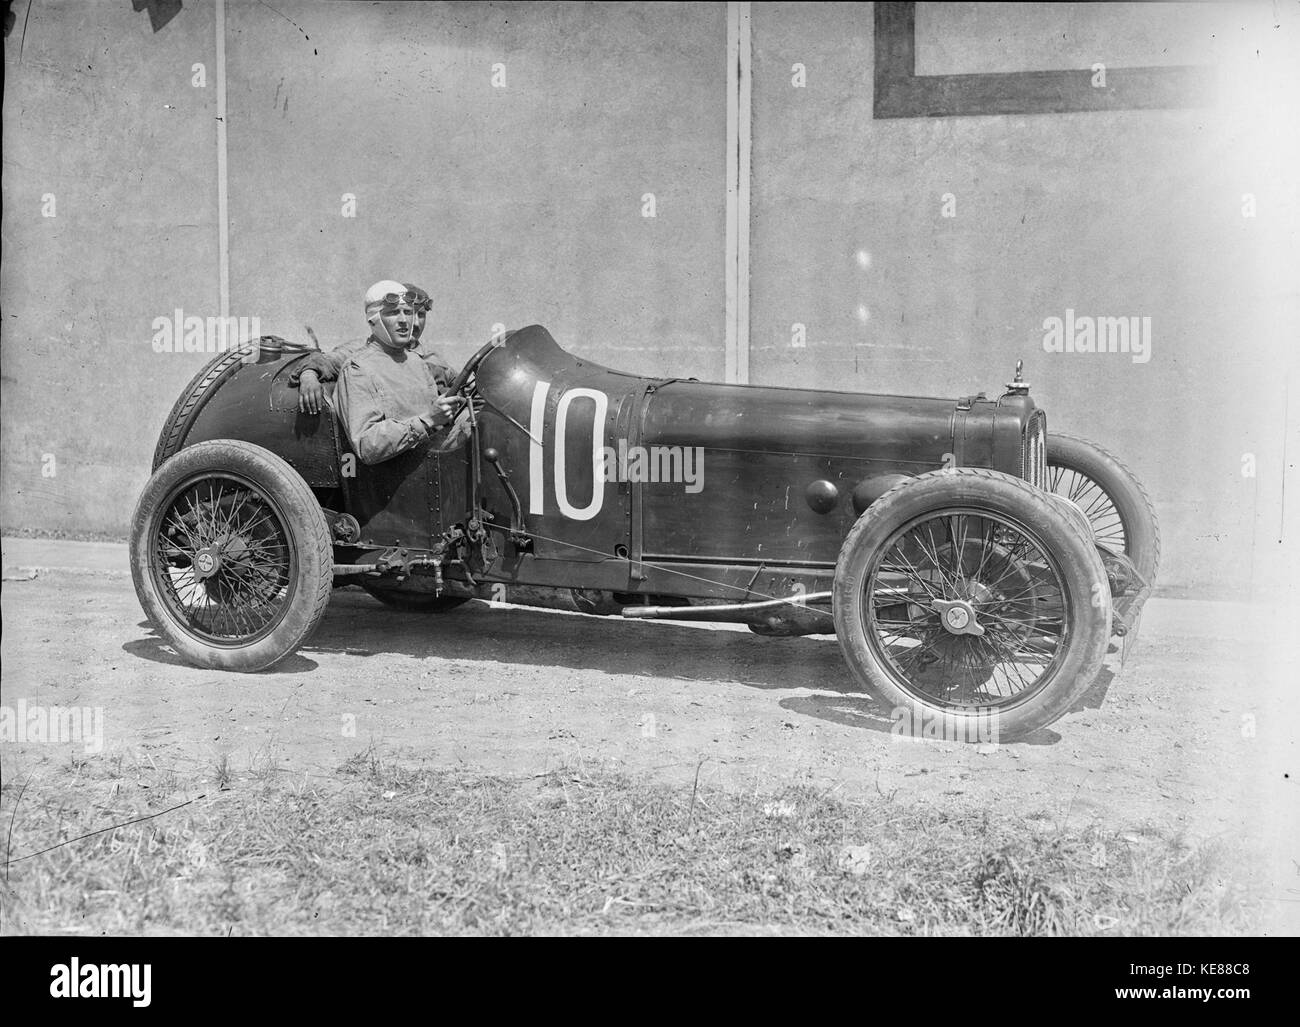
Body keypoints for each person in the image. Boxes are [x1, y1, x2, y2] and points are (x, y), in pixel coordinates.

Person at [329, 280, 468, 465]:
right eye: (393, 313)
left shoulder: (417, 362)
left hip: (430, 461)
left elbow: (436, 422)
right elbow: (366, 446)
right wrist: (427, 420)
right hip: (399, 474)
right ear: (374, 319)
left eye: (408, 312)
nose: (404, 320)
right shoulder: (358, 369)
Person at [294, 281, 450, 414]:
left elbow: (461, 385)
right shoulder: (362, 351)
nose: (413, 323)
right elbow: (324, 361)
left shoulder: (431, 357)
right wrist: (308, 376)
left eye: (419, 315)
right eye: (396, 313)